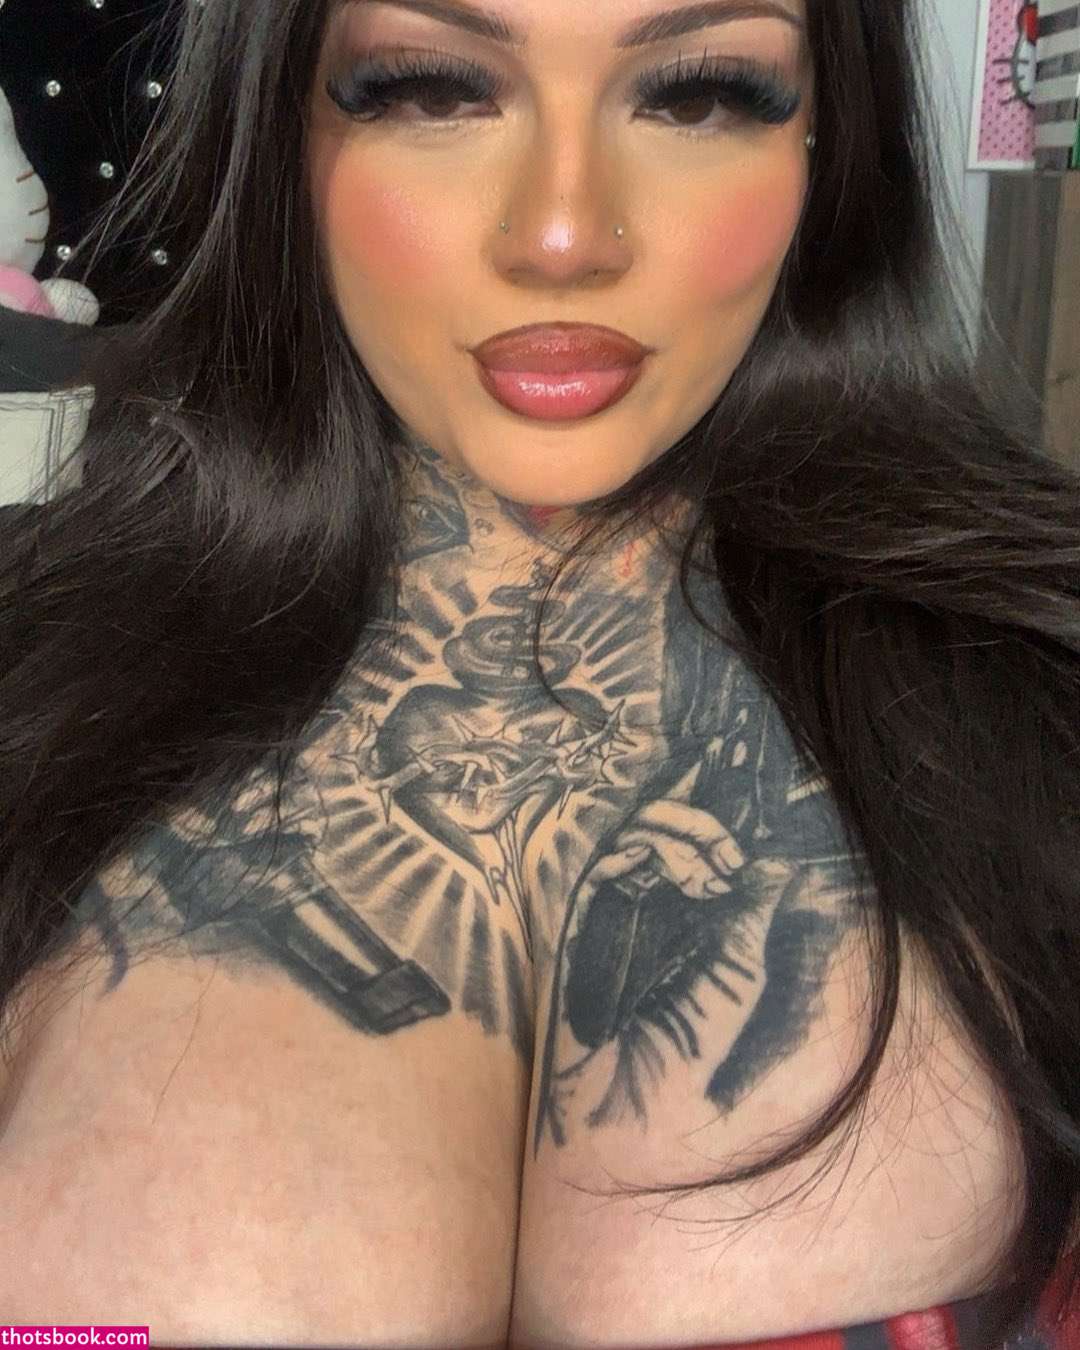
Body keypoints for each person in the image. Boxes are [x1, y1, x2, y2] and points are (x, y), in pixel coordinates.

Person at [0, 0, 1078, 1345]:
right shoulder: (34, 685)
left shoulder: (1042, 680)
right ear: (283, 131)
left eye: (698, 94)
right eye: (431, 88)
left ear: (828, 143)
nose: (563, 236)